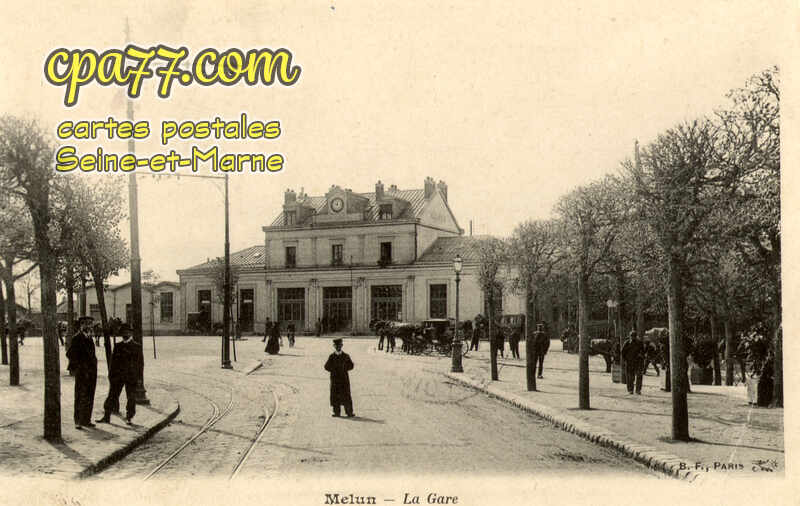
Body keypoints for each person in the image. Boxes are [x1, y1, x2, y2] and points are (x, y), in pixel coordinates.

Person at [96, 323, 140, 425]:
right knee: (112, 395)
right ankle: (107, 416)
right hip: (118, 376)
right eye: (123, 332)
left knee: (131, 397)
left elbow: (139, 364)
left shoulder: (136, 346)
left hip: (131, 377)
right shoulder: (118, 346)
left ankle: (129, 417)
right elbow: (113, 362)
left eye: (127, 332)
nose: (125, 334)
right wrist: (111, 375)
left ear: (131, 333)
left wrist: (139, 378)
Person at [66, 316, 98, 429]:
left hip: (91, 372)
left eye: (90, 324)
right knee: (80, 395)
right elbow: (69, 354)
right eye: (87, 324)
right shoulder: (77, 338)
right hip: (82, 372)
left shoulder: (89, 338)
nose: (89, 326)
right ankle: (78, 421)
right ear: (81, 325)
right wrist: (79, 366)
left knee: (90, 395)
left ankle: (86, 419)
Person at [324, 338, 355, 417]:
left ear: (342, 346)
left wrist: (344, 368)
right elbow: (326, 366)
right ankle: (336, 412)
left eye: (340, 345)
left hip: (344, 379)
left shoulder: (346, 356)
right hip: (335, 379)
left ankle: (349, 412)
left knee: (346, 395)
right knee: (335, 395)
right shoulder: (331, 356)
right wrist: (333, 370)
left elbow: (351, 365)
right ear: (334, 346)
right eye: (336, 346)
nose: (338, 347)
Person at [621, 330, 645, 394]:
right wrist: (625, 360)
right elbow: (623, 352)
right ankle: (630, 390)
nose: (633, 337)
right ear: (630, 336)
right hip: (629, 362)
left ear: (636, 336)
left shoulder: (640, 343)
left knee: (639, 376)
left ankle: (638, 390)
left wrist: (640, 355)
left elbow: (643, 352)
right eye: (631, 336)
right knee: (629, 377)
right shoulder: (627, 343)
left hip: (638, 362)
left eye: (634, 336)